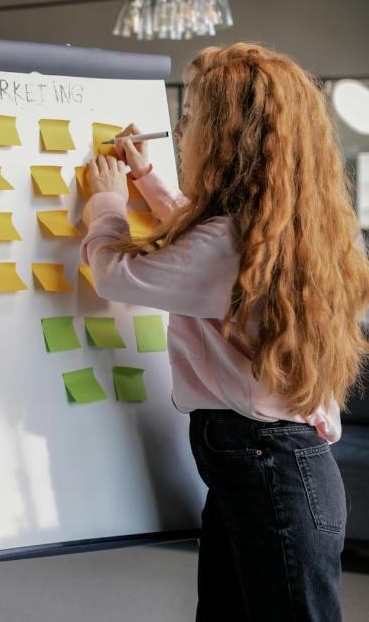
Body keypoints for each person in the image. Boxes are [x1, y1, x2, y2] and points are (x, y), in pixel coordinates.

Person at [82, 42, 369, 622]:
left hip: (265, 464)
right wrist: (146, 180)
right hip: (273, 460)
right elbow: (202, 240)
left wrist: (107, 205)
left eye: (192, 117)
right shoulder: (280, 230)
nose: (180, 130)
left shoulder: (227, 246)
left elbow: (116, 274)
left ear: (226, 138)